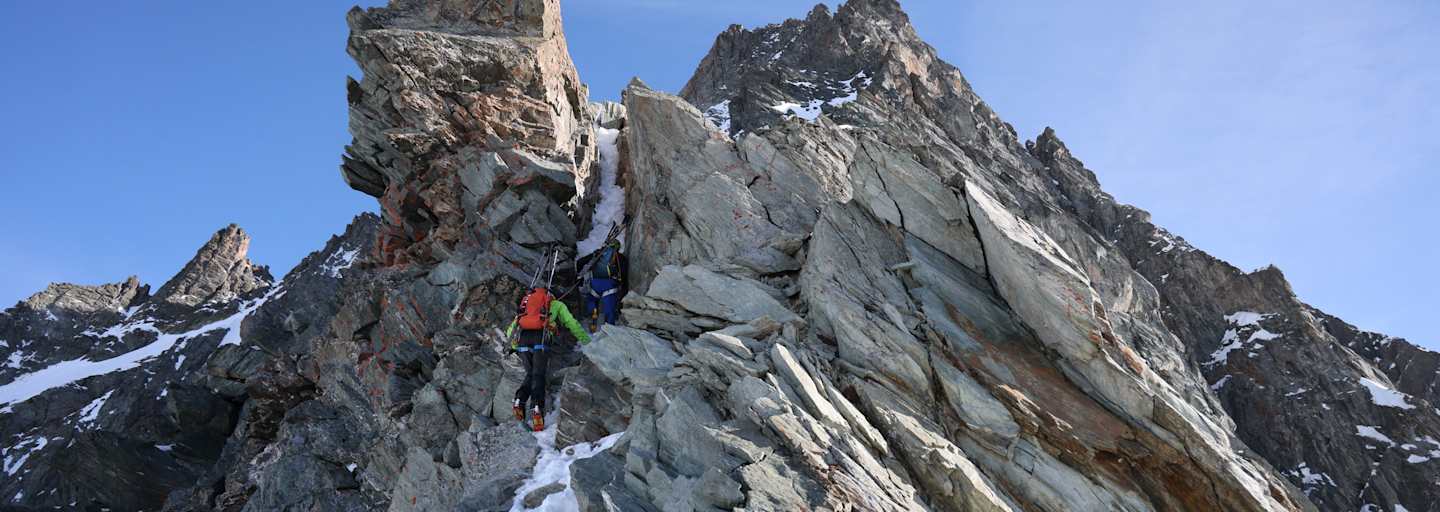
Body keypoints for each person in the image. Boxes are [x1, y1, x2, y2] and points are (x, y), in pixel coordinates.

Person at [504, 285, 590, 431]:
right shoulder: (556, 304)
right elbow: (571, 323)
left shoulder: (526, 305)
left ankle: (519, 400)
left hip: (523, 340)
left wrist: (514, 345)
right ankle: (537, 408)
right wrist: (587, 341)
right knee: (538, 375)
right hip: (541, 339)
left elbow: (511, 330)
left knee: (530, 374)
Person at [581, 239, 627, 332]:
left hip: (594, 284)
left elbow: (580, 262)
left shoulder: (598, 254)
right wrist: (623, 289)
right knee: (609, 309)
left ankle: (593, 319)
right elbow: (623, 275)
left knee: (592, 301)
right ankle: (609, 328)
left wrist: (578, 278)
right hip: (609, 285)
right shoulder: (620, 258)